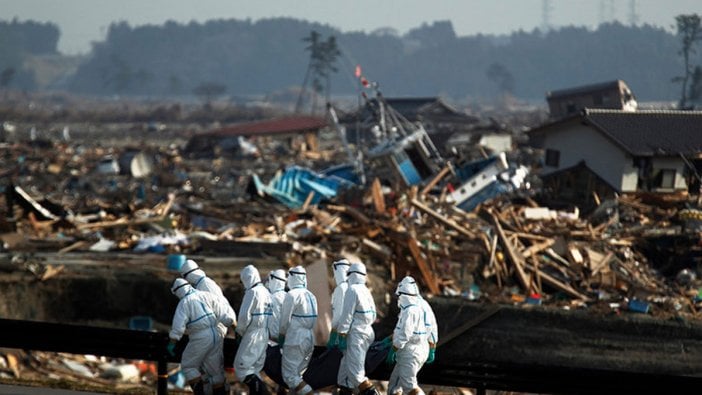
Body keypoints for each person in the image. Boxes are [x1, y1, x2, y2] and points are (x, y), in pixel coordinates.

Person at [168, 278, 236, 395]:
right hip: (216, 333)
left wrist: (172, 342)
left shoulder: (184, 303)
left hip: (201, 336)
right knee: (215, 372)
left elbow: (178, 328)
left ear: (178, 291)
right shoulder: (206, 295)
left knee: (189, 366)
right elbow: (225, 315)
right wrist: (236, 331)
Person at [336, 262, 379, 395]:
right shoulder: (366, 290)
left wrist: (341, 333)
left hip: (357, 333)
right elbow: (374, 314)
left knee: (356, 374)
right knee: (344, 376)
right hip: (366, 331)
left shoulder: (352, 290)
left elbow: (347, 315)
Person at [386, 277, 429, 395]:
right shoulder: (415, 309)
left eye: (399, 296)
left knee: (409, 387)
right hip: (413, 351)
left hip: (410, 352)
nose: (398, 299)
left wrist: (394, 349)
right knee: (394, 387)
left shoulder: (410, 311)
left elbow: (405, 333)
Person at [279, 266, 317, 395]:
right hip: (309, 338)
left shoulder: (292, 294)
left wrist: (281, 336)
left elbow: (285, 320)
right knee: (298, 377)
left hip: (296, 338)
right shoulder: (311, 295)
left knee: (290, 376)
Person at [235, 264, 273, 395]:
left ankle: (264, 393)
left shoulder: (252, 292)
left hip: (253, 334)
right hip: (264, 334)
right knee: (254, 369)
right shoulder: (266, 292)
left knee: (242, 369)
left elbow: (244, 317)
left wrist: (239, 332)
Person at [179, 259, 237, 339]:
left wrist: (232, 326)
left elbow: (219, 306)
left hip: (218, 326)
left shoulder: (205, 285)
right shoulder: (200, 285)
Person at [398, 276, 438, 364]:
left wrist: (394, 345)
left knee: (407, 377)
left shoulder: (412, 307)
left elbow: (404, 330)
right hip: (418, 346)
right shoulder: (420, 304)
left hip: (414, 348)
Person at [327, 258, 350, 349]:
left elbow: (339, 312)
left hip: (341, 332)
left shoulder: (341, 288)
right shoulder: (351, 286)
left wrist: (333, 331)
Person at [267, 269, 288, 343]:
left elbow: (273, 321)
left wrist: (273, 337)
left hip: (274, 340)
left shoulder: (273, 298)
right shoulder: (287, 296)